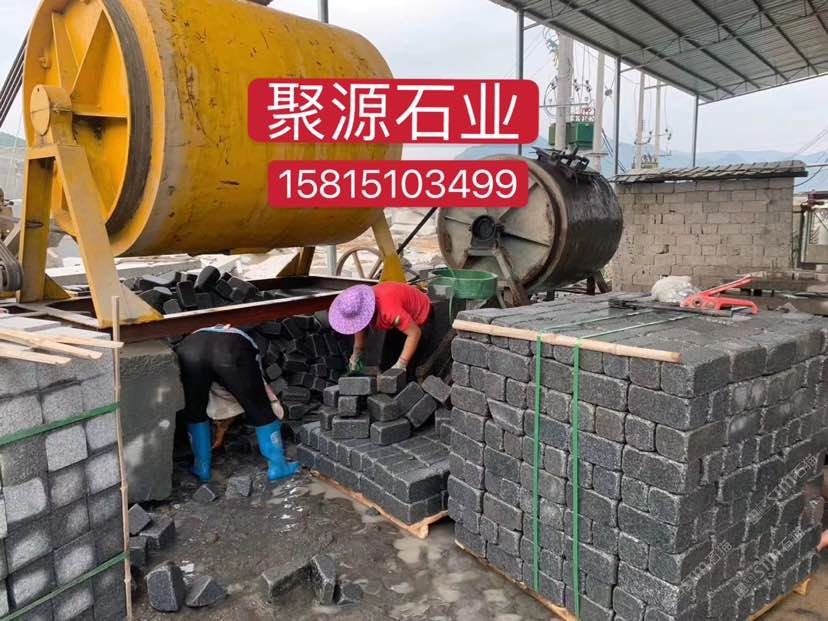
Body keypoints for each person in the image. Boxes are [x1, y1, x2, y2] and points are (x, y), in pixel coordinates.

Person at [175, 325, 299, 482]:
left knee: (195, 413)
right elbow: (261, 386)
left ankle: (201, 468)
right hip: (232, 351)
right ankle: (278, 467)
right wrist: (271, 402)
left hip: (190, 353)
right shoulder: (240, 339)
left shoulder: (192, 338)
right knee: (260, 410)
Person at [329, 282, 433, 378]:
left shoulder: (389, 310)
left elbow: (415, 333)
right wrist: (356, 355)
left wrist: (401, 364)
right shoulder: (360, 305)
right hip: (398, 317)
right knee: (386, 365)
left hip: (420, 317)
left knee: (410, 369)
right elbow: (360, 336)